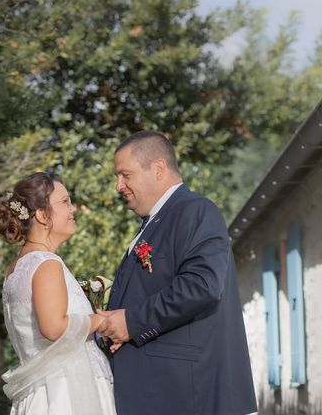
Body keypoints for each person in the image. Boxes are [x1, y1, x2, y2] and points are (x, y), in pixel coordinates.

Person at [97, 131, 257, 415]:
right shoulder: (158, 220)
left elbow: (202, 286)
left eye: (125, 175)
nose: (118, 186)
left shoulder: (196, 211)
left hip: (186, 396)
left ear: (158, 169)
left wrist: (131, 321)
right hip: (159, 392)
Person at [0, 172, 116, 415]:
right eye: (65, 202)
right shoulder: (46, 264)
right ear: (42, 215)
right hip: (65, 395)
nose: (73, 209)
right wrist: (98, 320)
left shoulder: (17, 268)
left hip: (42, 393)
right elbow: (53, 327)